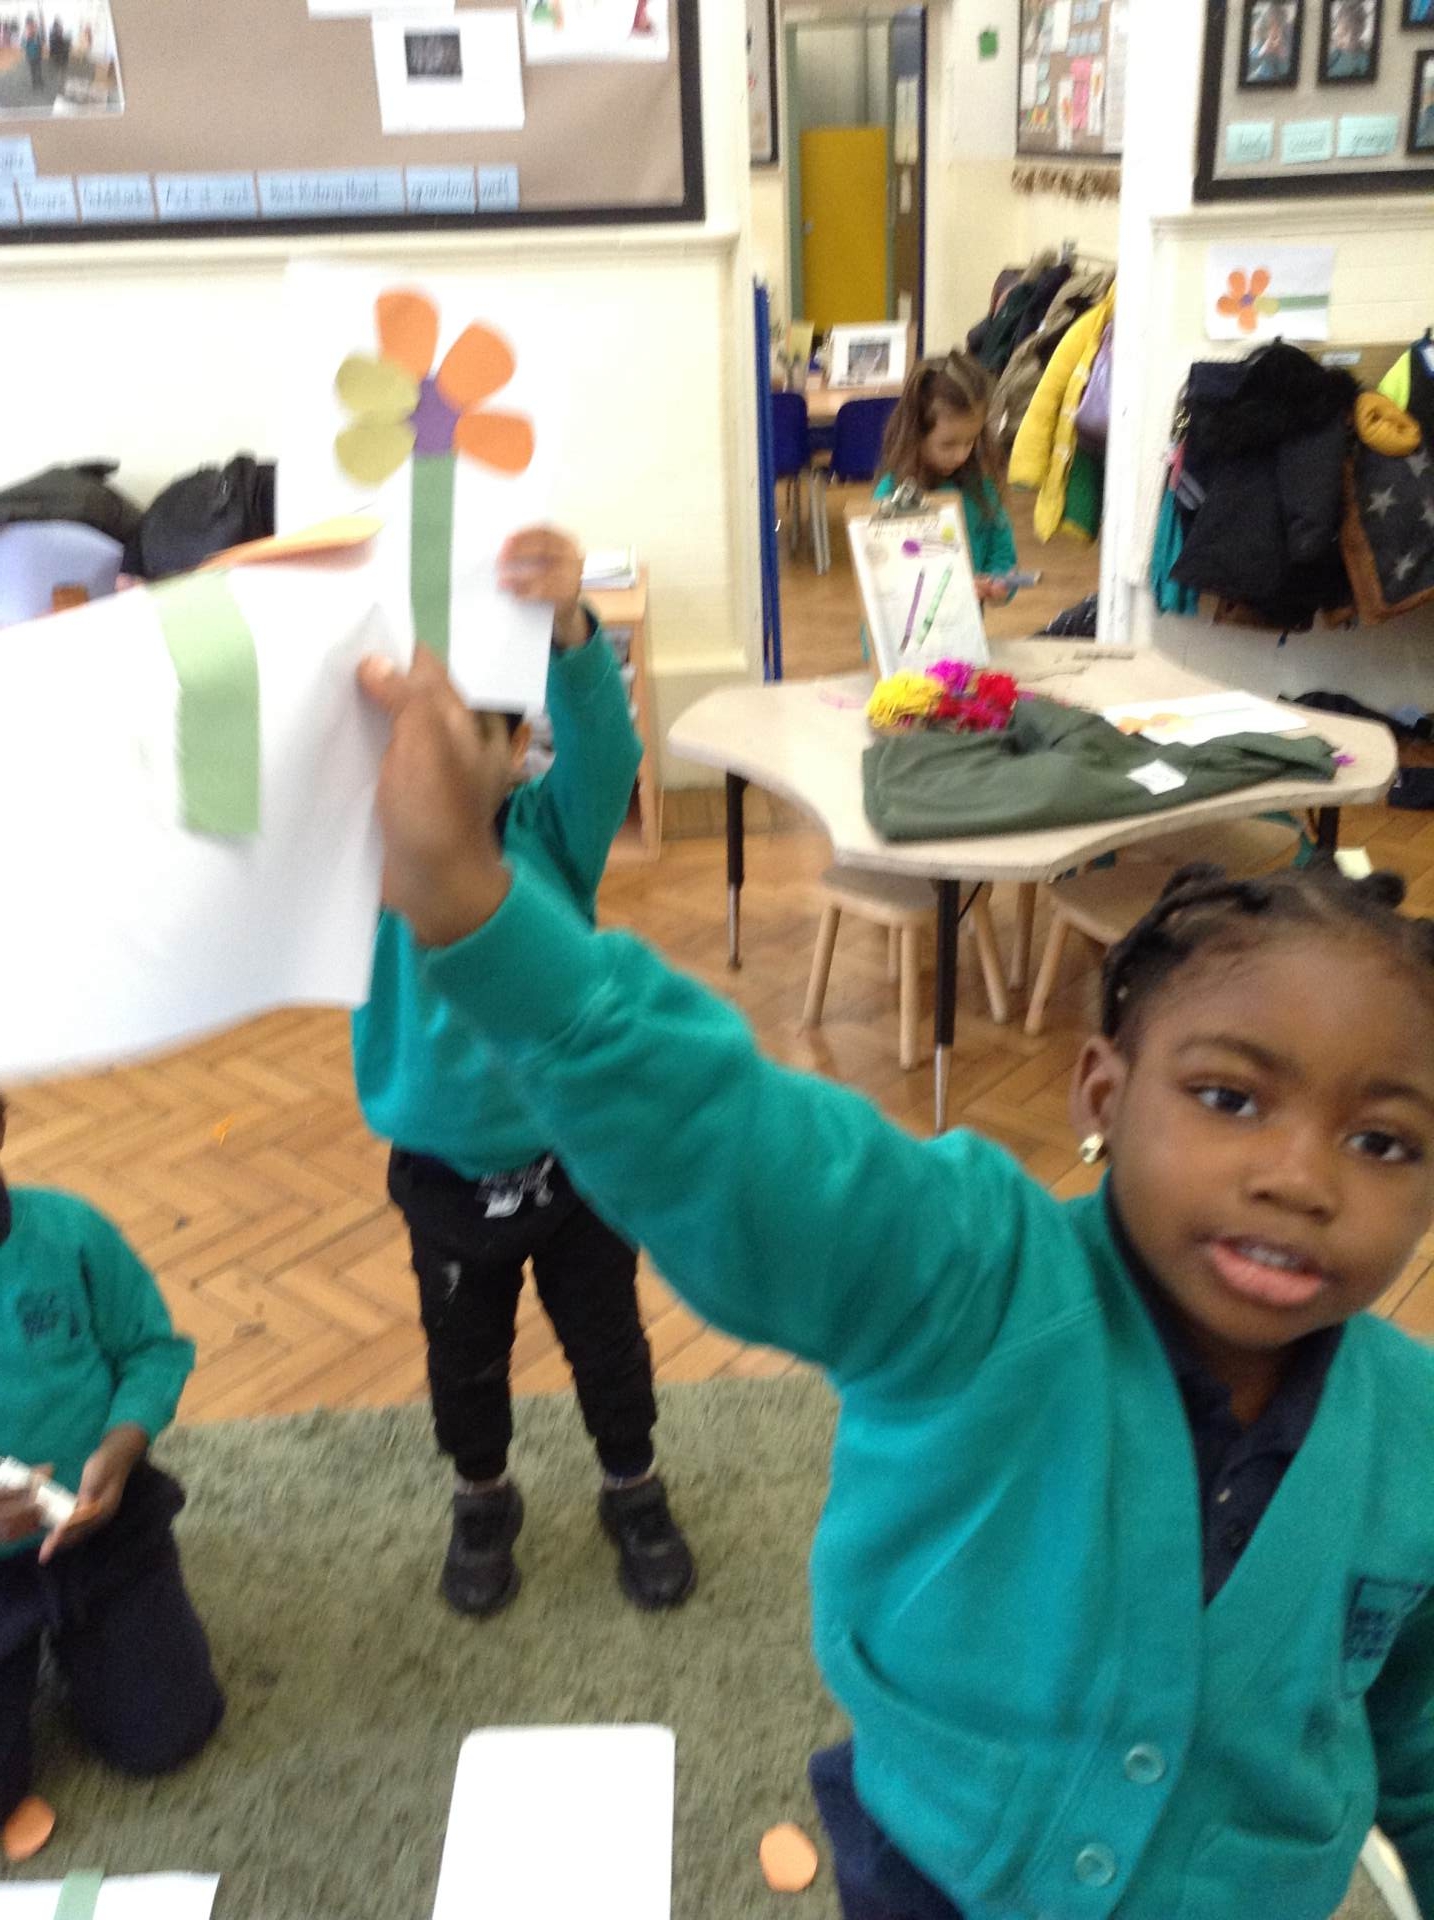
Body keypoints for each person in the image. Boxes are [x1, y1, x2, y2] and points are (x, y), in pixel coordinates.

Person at [354, 643, 1434, 1920]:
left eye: (1383, 1142)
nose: (1301, 1179)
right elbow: (750, 1157)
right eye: (1230, 1098)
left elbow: (1415, 1737)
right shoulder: (976, 1274)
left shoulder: (1413, 1432)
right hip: (938, 1865)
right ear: (1102, 1094)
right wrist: (475, 912)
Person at [352, 527, 694, 1621]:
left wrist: (568, 624)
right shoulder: (362, 869)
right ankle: (482, 1496)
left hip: (576, 1153)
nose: (443, 761)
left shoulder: (551, 831)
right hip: (445, 1174)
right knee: (464, 1360)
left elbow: (606, 750)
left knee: (609, 1343)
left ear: (517, 750)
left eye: (476, 734)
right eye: (417, 740)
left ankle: (632, 1483)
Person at [0, 1095, 223, 1865]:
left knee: (168, 1734)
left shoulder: (69, 1231)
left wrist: (123, 1446)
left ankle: (88, 1641)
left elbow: (153, 1349)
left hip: (102, 1525)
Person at [873, 353, 1019, 604]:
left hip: (963, 625)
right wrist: (952, 587)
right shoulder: (892, 493)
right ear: (916, 434)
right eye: (948, 444)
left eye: (970, 441)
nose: (961, 455)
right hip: (907, 624)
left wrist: (1000, 583)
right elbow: (884, 576)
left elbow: (1003, 556)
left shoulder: (981, 489)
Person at [1325, 0, 1371, 80]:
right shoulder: (1335, 54)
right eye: (1343, 33)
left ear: (1362, 31)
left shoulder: (1365, 60)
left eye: (1355, 33)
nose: (1348, 40)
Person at [1246, 3, 1292, 82]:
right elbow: (1248, 66)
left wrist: (1282, 57)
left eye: (1278, 27)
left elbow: (1289, 73)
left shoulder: (1288, 45)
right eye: (1270, 27)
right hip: (1261, 79)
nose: (1274, 32)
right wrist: (1262, 53)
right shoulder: (1260, 45)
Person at [20, 16, 41, 90]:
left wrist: (39, 46)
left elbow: (39, 43)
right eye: (29, 24)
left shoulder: (36, 32)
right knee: (32, 70)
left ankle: (39, 81)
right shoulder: (25, 34)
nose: (31, 26)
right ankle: (34, 83)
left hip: (37, 54)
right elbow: (22, 45)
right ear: (27, 25)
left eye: (32, 24)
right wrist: (28, 38)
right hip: (30, 55)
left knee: (38, 69)